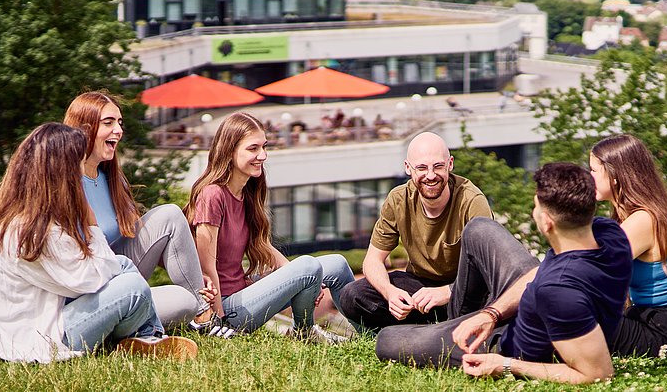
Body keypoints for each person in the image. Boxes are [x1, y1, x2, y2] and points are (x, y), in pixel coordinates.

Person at [375, 162, 633, 384]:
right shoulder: (609, 233)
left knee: (387, 340)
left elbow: (597, 373)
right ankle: (468, 315)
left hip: (508, 343)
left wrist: (504, 365)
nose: (534, 213)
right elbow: (539, 276)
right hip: (526, 306)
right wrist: (490, 313)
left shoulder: (559, 293)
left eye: (536, 207)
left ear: (547, 222)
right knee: (479, 228)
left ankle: (450, 329)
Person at [0, 123, 198, 363]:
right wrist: (91, 223)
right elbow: (93, 279)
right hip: (38, 338)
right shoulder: (34, 231)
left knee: (124, 266)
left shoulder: (21, 218)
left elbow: (102, 269)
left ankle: (145, 336)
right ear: (62, 173)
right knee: (132, 286)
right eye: (77, 165)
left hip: (29, 324)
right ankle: (146, 336)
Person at [64, 91, 236, 338]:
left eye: (120, 123)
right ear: (83, 128)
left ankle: (203, 316)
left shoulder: (110, 178)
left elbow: (151, 244)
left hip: (119, 271)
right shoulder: (64, 184)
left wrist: (195, 278)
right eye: (108, 122)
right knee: (180, 303)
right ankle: (123, 322)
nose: (118, 130)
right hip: (89, 290)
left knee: (170, 215)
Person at [186, 112, 355, 342]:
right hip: (228, 309)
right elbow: (206, 269)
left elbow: (261, 245)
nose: (262, 155)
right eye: (253, 148)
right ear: (229, 150)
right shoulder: (211, 195)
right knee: (307, 265)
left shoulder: (247, 191)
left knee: (336, 264)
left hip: (246, 290)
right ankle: (304, 333)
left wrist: (307, 278)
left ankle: (368, 335)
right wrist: (217, 319)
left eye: (264, 147)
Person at [339, 132, 493, 331]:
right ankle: (426, 331)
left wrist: (447, 292)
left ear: (450, 164)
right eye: (421, 168)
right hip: (420, 288)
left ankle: (429, 331)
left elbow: (489, 269)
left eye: (438, 166)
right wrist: (390, 293)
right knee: (353, 296)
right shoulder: (398, 199)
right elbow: (372, 261)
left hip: (464, 290)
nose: (430, 175)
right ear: (408, 168)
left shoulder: (472, 201)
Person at [589, 134, 667, 356]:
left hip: (666, 332)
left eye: (593, 171)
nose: (589, 178)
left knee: (571, 312)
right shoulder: (630, 218)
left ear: (615, 175)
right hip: (650, 319)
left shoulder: (644, 220)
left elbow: (589, 270)